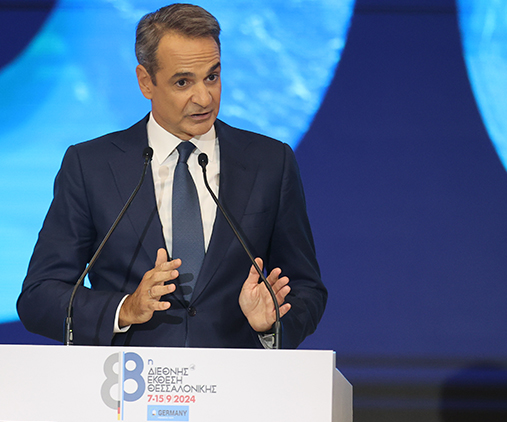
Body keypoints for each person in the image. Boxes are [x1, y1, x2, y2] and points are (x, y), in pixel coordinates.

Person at [17, 3, 326, 348]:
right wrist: (124, 308)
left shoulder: (269, 162)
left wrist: (272, 325)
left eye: (212, 77)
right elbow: (39, 296)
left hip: (236, 378)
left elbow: (306, 288)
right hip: (128, 378)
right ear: (145, 82)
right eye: (183, 82)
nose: (204, 97)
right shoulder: (91, 166)